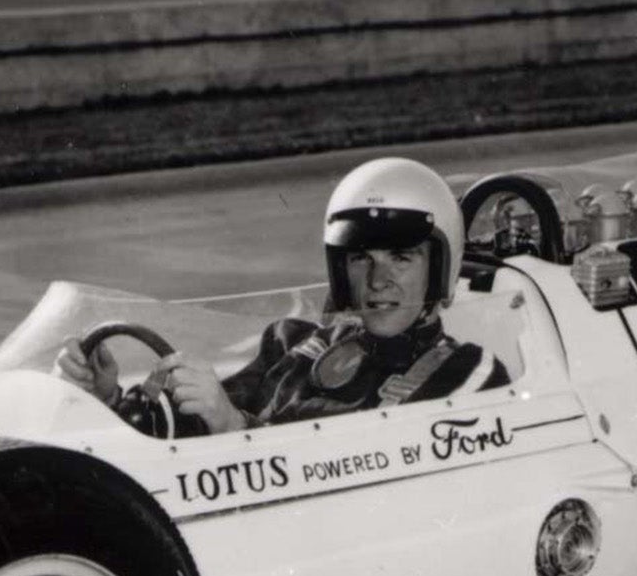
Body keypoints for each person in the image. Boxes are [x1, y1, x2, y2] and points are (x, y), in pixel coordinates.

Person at [54, 157, 501, 434]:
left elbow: (366, 472)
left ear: (439, 269)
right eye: (361, 258)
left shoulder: (467, 374)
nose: (377, 279)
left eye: (401, 258)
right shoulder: (294, 343)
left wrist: (232, 426)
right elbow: (192, 430)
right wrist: (110, 399)